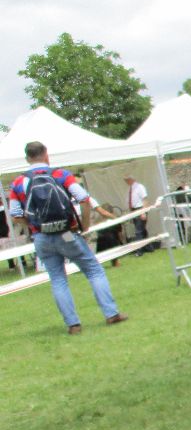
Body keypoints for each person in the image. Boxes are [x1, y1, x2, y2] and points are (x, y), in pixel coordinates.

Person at [7, 142, 127, 333]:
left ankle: (73, 325)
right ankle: (111, 313)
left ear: (27, 158)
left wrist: (32, 226)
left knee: (58, 279)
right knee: (94, 270)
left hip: (42, 237)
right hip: (67, 233)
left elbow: (15, 214)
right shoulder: (61, 175)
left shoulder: (18, 183)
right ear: (47, 155)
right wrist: (85, 226)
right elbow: (84, 199)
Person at [124, 174, 153, 255]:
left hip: (140, 209)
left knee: (138, 231)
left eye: (126, 180)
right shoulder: (130, 188)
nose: (125, 182)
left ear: (131, 179)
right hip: (134, 210)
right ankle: (149, 247)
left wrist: (143, 212)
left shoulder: (140, 187)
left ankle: (139, 251)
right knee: (142, 230)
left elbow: (145, 199)